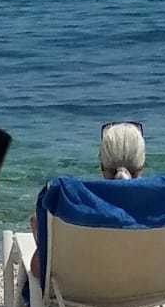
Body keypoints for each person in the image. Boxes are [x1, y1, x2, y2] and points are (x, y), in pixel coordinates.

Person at [28, 120, 146, 283]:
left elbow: (37, 269)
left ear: (102, 165)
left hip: (77, 291)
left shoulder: (76, 205)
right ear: (141, 165)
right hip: (150, 289)